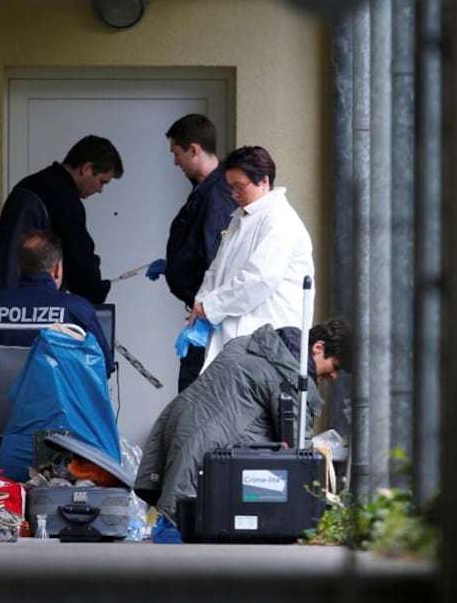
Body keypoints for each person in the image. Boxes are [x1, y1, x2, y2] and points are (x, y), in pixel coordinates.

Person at [134, 318, 352, 521]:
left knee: (176, 530)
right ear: (318, 347)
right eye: (336, 366)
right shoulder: (290, 378)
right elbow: (300, 457)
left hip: (181, 434)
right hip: (205, 460)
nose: (334, 376)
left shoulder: (249, 344)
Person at [0, 134, 123, 319]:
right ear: (87, 168)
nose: (99, 190)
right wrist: (96, 291)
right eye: (102, 182)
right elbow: (79, 260)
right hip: (21, 307)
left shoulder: (30, 184)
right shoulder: (64, 198)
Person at [190, 145, 315, 368]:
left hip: (267, 341)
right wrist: (200, 304)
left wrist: (210, 306)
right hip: (239, 341)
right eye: (231, 188)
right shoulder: (241, 219)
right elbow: (217, 269)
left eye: (240, 187)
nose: (234, 195)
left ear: (264, 181)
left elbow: (259, 278)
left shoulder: (280, 220)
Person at [145, 114, 236, 391]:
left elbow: (218, 261)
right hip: (202, 311)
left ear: (194, 150)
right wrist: (174, 266)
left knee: (192, 397)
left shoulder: (217, 195)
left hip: (210, 322)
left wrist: (206, 313)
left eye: (177, 153)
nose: (175, 162)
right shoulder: (202, 191)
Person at [0, 229, 115, 379]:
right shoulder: (77, 308)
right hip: (60, 402)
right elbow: (104, 367)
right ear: (57, 269)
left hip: (2, 401)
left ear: (18, 269)